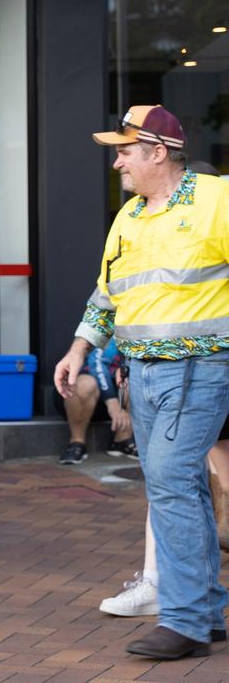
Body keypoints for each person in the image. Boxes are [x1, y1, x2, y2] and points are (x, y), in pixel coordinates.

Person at [54, 104, 229, 660]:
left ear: (158, 152)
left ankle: (184, 622)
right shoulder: (129, 216)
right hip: (143, 374)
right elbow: (108, 294)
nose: (116, 164)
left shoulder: (216, 200)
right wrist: (79, 348)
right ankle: (205, 610)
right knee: (178, 488)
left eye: (124, 151)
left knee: (173, 483)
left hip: (198, 368)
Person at [56, 338, 135, 465]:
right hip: (80, 396)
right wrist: (112, 401)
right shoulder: (106, 324)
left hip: (115, 395)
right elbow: (96, 364)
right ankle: (77, 442)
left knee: (136, 384)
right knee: (86, 384)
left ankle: (122, 440)